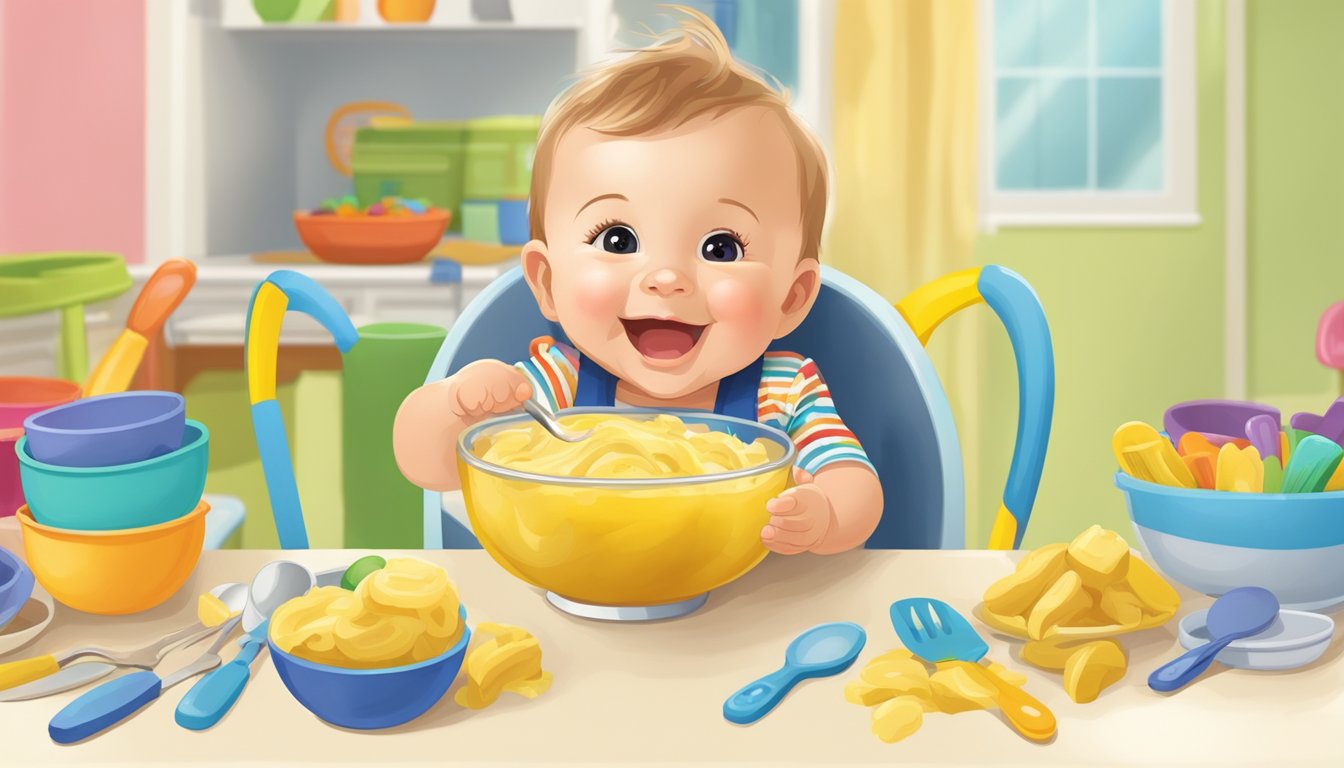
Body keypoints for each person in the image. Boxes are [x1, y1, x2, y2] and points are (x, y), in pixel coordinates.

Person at [394, 8, 882, 555]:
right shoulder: (555, 385)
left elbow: (855, 485)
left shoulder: (785, 391)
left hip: (744, 612)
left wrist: (824, 515)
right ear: (548, 282)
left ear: (790, 298)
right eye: (618, 241)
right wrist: (456, 403)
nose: (667, 277)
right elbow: (426, 465)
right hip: (579, 600)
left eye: (720, 249)